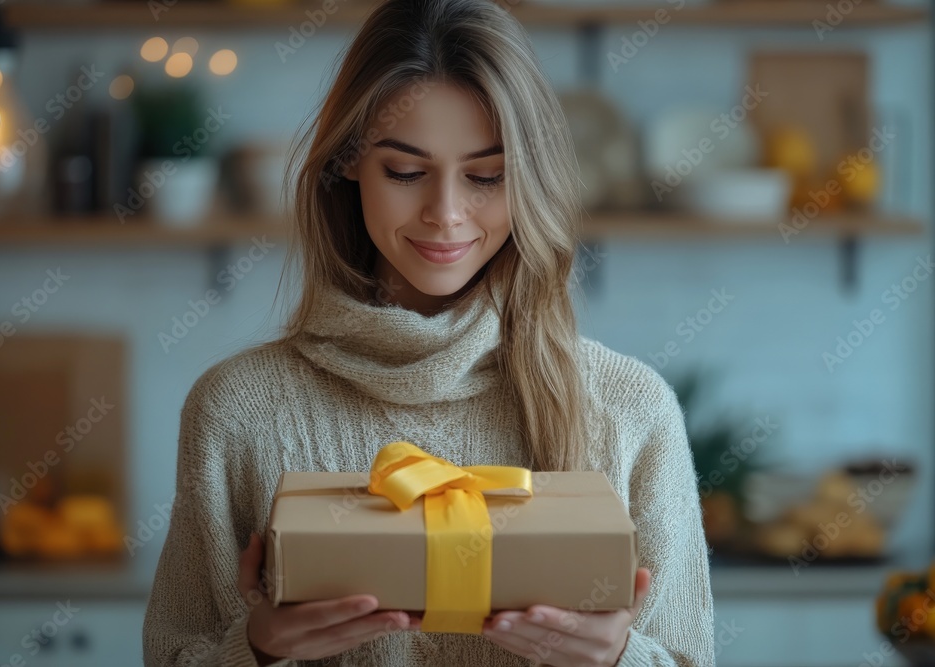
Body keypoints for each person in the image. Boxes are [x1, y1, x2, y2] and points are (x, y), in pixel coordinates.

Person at [142, 0, 716, 665]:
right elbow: (174, 653)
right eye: (406, 171)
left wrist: (620, 657)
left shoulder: (632, 409)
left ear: (529, 179)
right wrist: (258, 649)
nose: (445, 213)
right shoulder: (235, 410)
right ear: (348, 161)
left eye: (487, 176)